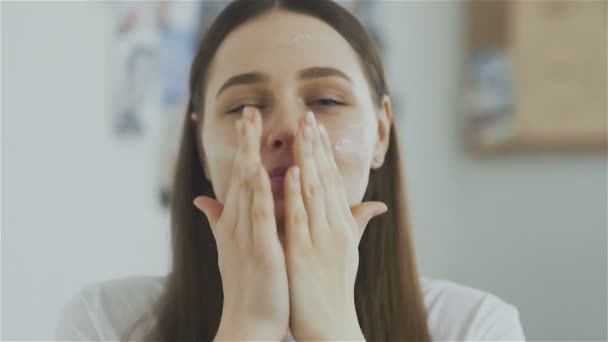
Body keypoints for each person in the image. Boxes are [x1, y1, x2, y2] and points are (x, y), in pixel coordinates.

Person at [55, 0, 526, 341]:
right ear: (199, 145)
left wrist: (331, 327)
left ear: (381, 133)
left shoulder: (474, 327)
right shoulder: (105, 324)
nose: (285, 131)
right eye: (243, 106)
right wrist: (249, 326)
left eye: (325, 101)